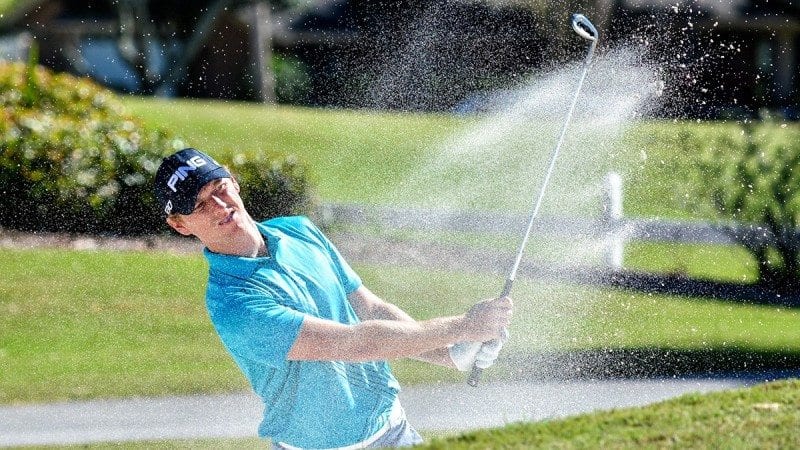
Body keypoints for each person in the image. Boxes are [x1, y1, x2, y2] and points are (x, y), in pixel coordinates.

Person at [153, 148, 512, 449]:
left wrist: (451, 354)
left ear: (233, 180)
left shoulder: (299, 230)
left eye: (219, 186)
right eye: (198, 205)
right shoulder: (233, 302)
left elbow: (368, 308)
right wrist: (462, 327)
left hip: (395, 431)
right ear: (180, 225)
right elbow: (354, 343)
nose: (219, 205)